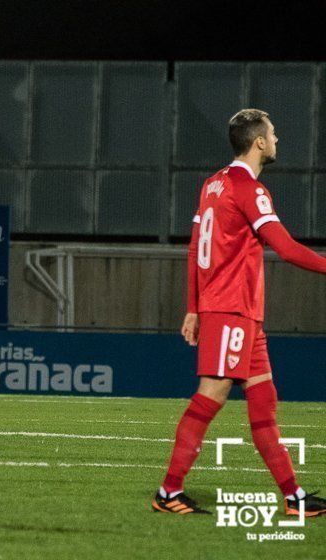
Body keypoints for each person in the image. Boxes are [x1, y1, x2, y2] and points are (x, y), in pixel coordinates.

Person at [152, 110, 326, 516]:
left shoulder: (213, 184)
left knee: (264, 400)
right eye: (274, 133)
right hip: (231, 308)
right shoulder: (251, 188)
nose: (278, 139)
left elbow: (197, 248)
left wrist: (194, 308)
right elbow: (284, 248)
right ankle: (169, 491)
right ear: (259, 142)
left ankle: (293, 497)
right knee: (211, 394)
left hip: (239, 311)